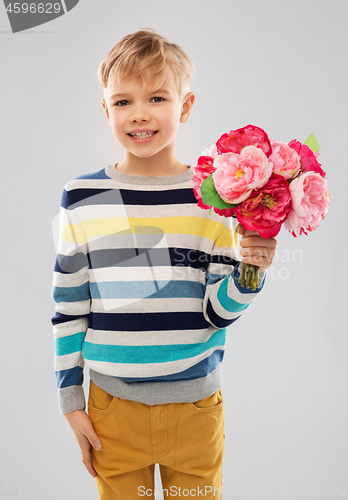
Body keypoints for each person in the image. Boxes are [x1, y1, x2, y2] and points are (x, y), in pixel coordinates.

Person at [51, 27, 277, 499]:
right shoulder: (83, 198)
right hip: (111, 410)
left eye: (156, 97)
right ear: (106, 109)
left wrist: (251, 269)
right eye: (122, 102)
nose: (139, 115)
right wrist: (71, 401)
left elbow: (217, 312)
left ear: (185, 106)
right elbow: (70, 306)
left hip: (195, 409)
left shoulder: (212, 199)